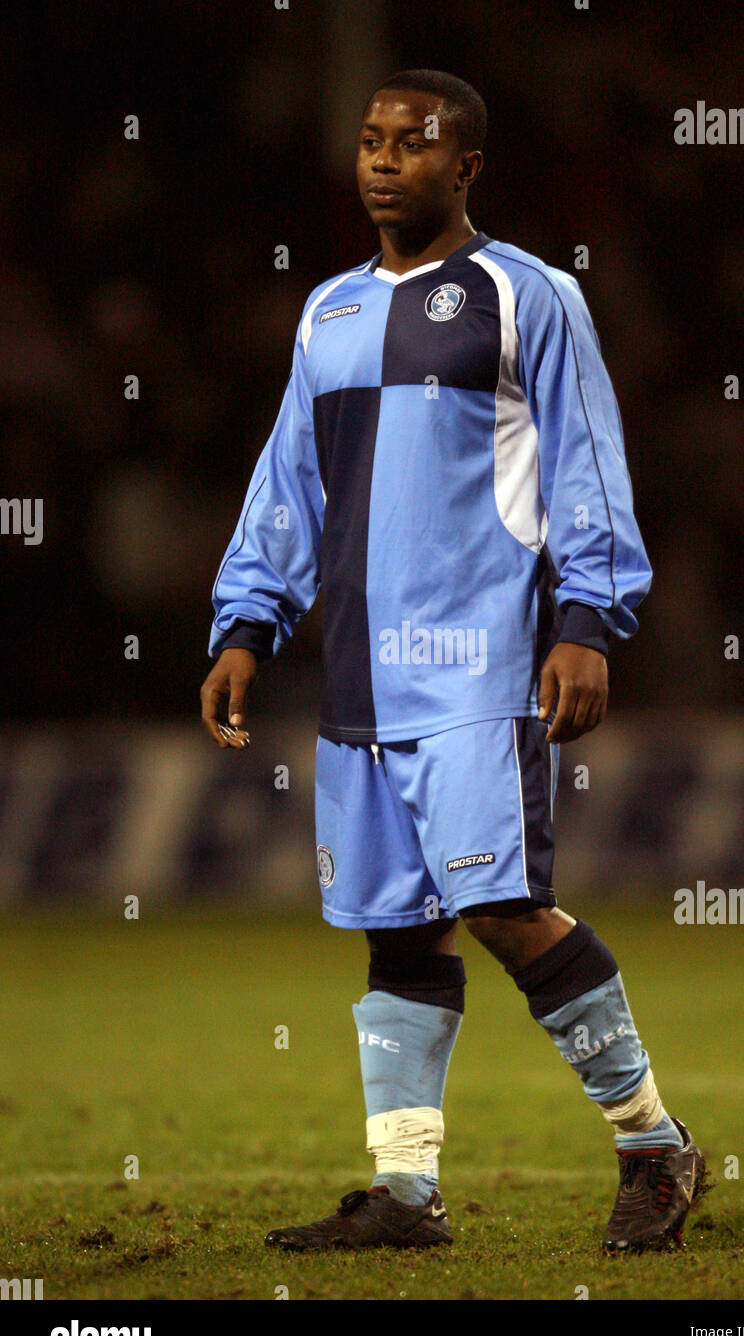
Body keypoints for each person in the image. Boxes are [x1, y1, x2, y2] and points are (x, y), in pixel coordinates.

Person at [200, 69, 706, 1255]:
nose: (382, 162)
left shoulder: (527, 296)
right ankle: (405, 1194)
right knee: (397, 926)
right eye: (369, 142)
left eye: (411, 145)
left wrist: (585, 620)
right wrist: (243, 618)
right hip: (357, 674)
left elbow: (586, 462)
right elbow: (288, 483)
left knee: (498, 903)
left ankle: (650, 1142)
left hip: (478, 661)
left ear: (464, 165)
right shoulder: (324, 312)